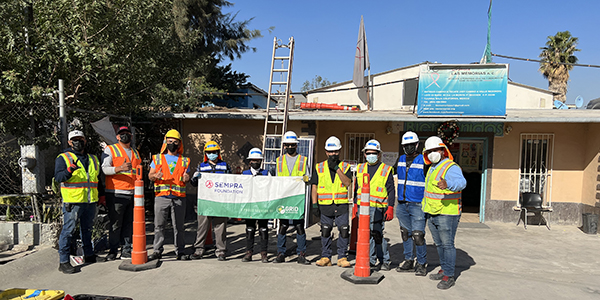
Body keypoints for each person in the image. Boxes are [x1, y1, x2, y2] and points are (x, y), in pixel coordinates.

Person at [54, 130, 104, 274]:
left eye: (80, 139)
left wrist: (101, 196)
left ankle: (89, 255)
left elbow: (96, 180)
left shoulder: (93, 158)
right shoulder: (63, 158)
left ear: (85, 140)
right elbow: (58, 178)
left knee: (87, 230)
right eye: (74, 140)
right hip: (73, 201)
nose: (78, 142)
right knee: (68, 231)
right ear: (69, 142)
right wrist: (69, 171)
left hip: (90, 201)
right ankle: (63, 262)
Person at [422, 136, 467, 290]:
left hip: (447, 213)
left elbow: (462, 183)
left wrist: (448, 184)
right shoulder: (432, 168)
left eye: (435, 150)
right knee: (439, 244)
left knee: (447, 245)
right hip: (433, 212)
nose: (432, 153)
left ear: (442, 151)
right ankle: (444, 269)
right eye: (429, 151)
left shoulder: (450, 167)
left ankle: (449, 275)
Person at [148, 129, 191, 261]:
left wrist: (187, 178)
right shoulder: (158, 158)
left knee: (179, 227)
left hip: (178, 198)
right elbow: (150, 175)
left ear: (180, 144)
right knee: (159, 225)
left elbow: (187, 177)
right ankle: (157, 250)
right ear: (165, 143)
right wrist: (155, 176)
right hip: (162, 196)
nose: (172, 144)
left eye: (175, 142)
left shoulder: (185, 160)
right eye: (170, 141)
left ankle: (180, 251)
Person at [354, 139, 395, 271]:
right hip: (363, 207)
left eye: (374, 153)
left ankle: (384, 260)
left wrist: (390, 207)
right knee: (366, 235)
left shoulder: (386, 169)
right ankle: (371, 260)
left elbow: (391, 190)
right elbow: (356, 188)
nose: (371, 155)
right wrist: (355, 204)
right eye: (369, 153)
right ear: (364, 154)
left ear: (379, 154)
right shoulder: (360, 168)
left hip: (378, 207)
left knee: (377, 234)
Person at [311, 136, 352, 268]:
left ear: (339, 151)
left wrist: (337, 169)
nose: (333, 154)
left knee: (344, 230)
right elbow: (314, 186)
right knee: (325, 230)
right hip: (325, 204)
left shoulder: (345, 166)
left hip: (341, 205)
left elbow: (347, 183)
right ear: (326, 152)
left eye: (335, 151)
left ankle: (342, 257)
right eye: (330, 152)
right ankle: (326, 257)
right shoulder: (319, 167)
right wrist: (314, 204)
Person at [101, 126, 141, 261]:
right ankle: (113, 251)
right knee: (115, 224)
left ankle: (126, 250)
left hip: (132, 192)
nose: (125, 136)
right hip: (116, 192)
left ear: (131, 136)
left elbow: (137, 173)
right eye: (122, 134)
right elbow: (105, 169)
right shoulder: (110, 149)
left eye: (127, 133)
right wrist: (120, 168)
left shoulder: (135, 152)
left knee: (128, 223)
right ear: (117, 137)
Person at [190, 141, 231, 261]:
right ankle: (198, 250)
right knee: (202, 227)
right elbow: (194, 184)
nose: (211, 154)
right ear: (205, 154)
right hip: (205, 201)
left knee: (220, 227)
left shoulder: (225, 166)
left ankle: (221, 251)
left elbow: (231, 182)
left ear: (218, 153)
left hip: (220, 201)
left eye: (214, 152)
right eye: (209, 152)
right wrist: (194, 178)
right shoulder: (201, 166)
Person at [274, 131, 311, 265]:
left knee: (299, 226)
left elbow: (307, 177)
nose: (290, 147)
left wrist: (305, 179)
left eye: (293, 145)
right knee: (283, 226)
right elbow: (277, 179)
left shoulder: (303, 160)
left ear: (296, 145)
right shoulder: (279, 161)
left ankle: (301, 254)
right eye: (288, 145)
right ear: (284, 146)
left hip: (297, 198)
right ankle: (280, 253)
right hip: (284, 197)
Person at [395, 131, 428, 276]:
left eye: (411, 145)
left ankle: (421, 263)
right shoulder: (400, 159)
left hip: (417, 204)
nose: (408, 147)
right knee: (405, 234)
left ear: (417, 144)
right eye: (405, 145)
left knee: (418, 235)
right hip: (402, 204)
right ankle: (408, 260)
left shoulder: (424, 161)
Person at [241, 148, 272, 263]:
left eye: (258, 160)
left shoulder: (266, 173)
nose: (255, 162)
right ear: (249, 161)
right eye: (253, 160)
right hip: (249, 206)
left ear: (261, 161)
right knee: (250, 229)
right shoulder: (244, 174)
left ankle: (264, 253)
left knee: (263, 229)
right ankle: (249, 253)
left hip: (262, 205)